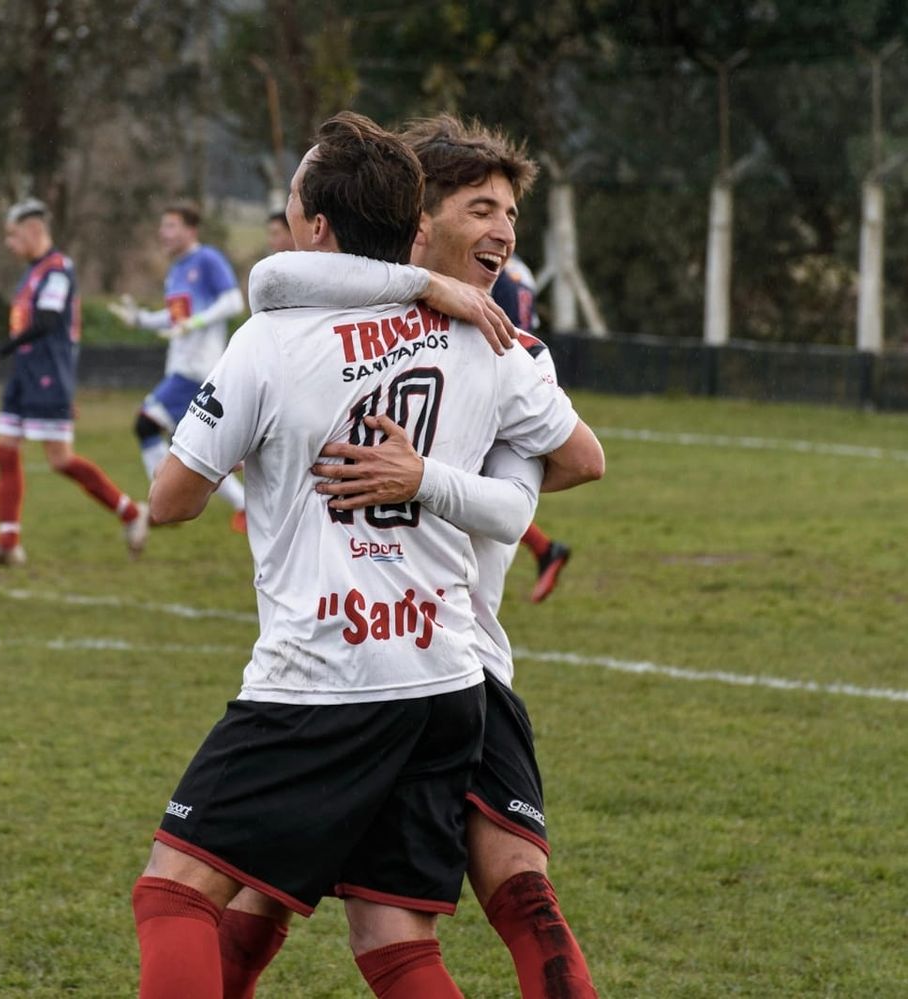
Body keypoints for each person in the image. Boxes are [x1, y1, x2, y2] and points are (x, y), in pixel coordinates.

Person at [131, 111, 603, 999]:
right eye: (481, 206)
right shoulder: (486, 341)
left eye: (509, 211)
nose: (501, 228)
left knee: (175, 892)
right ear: (417, 222)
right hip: (444, 677)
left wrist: (421, 475)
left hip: (335, 672)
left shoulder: (277, 340)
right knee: (387, 931)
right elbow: (573, 463)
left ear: (314, 224)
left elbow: (171, 501)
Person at [0, 198, 148, 564]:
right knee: (5, 449)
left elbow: (47, 323)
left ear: (34, 231)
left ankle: (131, 513)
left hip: (49, 375)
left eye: (13, 235)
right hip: (25, 374)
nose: (8, 243)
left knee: (60, 460)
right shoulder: (33, 272)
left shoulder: (58, 271)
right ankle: (8, 543)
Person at [109, 200, 248, 532]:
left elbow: (233, 302)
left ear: (191, 230)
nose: (163, 232)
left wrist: (195, 322)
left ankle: (163, 502)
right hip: (182, 367)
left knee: (145, 425)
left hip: (196, 369)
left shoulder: (207, 260)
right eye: (162, 226)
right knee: (191, 443)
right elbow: (175, 319)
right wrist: (141, 319)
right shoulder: (176, 271)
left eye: (171, 225)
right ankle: (243, 506)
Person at [493, 252, 573, 603]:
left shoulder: (485, 269)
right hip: (529, 372)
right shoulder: (521, 269)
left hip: (501, 369)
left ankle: (546, 549)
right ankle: (544, 549)